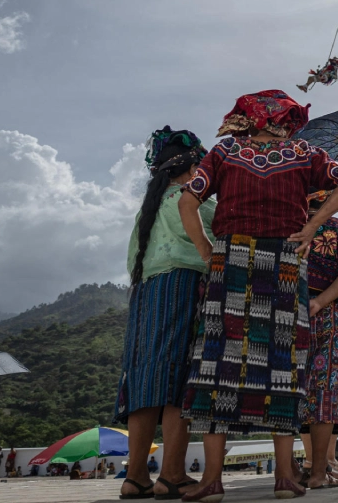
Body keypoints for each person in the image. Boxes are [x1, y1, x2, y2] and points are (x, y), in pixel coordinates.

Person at [179, 89, 338, 501]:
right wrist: (313, 225)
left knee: (217, 363)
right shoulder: (303, 152)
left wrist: (207, 249)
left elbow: (188, 203)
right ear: (284, 119)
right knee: (284, 364)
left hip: (232, 261)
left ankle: (211, 481)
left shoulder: (225, 153)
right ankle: (284, 477)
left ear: (247, 117)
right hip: (284, 261)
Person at [115, 126, 211, 501]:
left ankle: (135, 475)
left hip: (145, 293)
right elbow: (224, 238)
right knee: (178, 380)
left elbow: (130, 263)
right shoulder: (194, 200)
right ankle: (171, 474)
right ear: (191, 169)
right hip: (183, 286)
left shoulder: (149, 210)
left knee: (143, 382)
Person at [298, 190, 338, 489]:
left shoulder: (285, 222)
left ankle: (286, 471)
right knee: (325, 391)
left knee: (286, 389)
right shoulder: (336, 228)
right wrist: (321, 300)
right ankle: (317, 472)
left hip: (283, 313)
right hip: (332, 316)